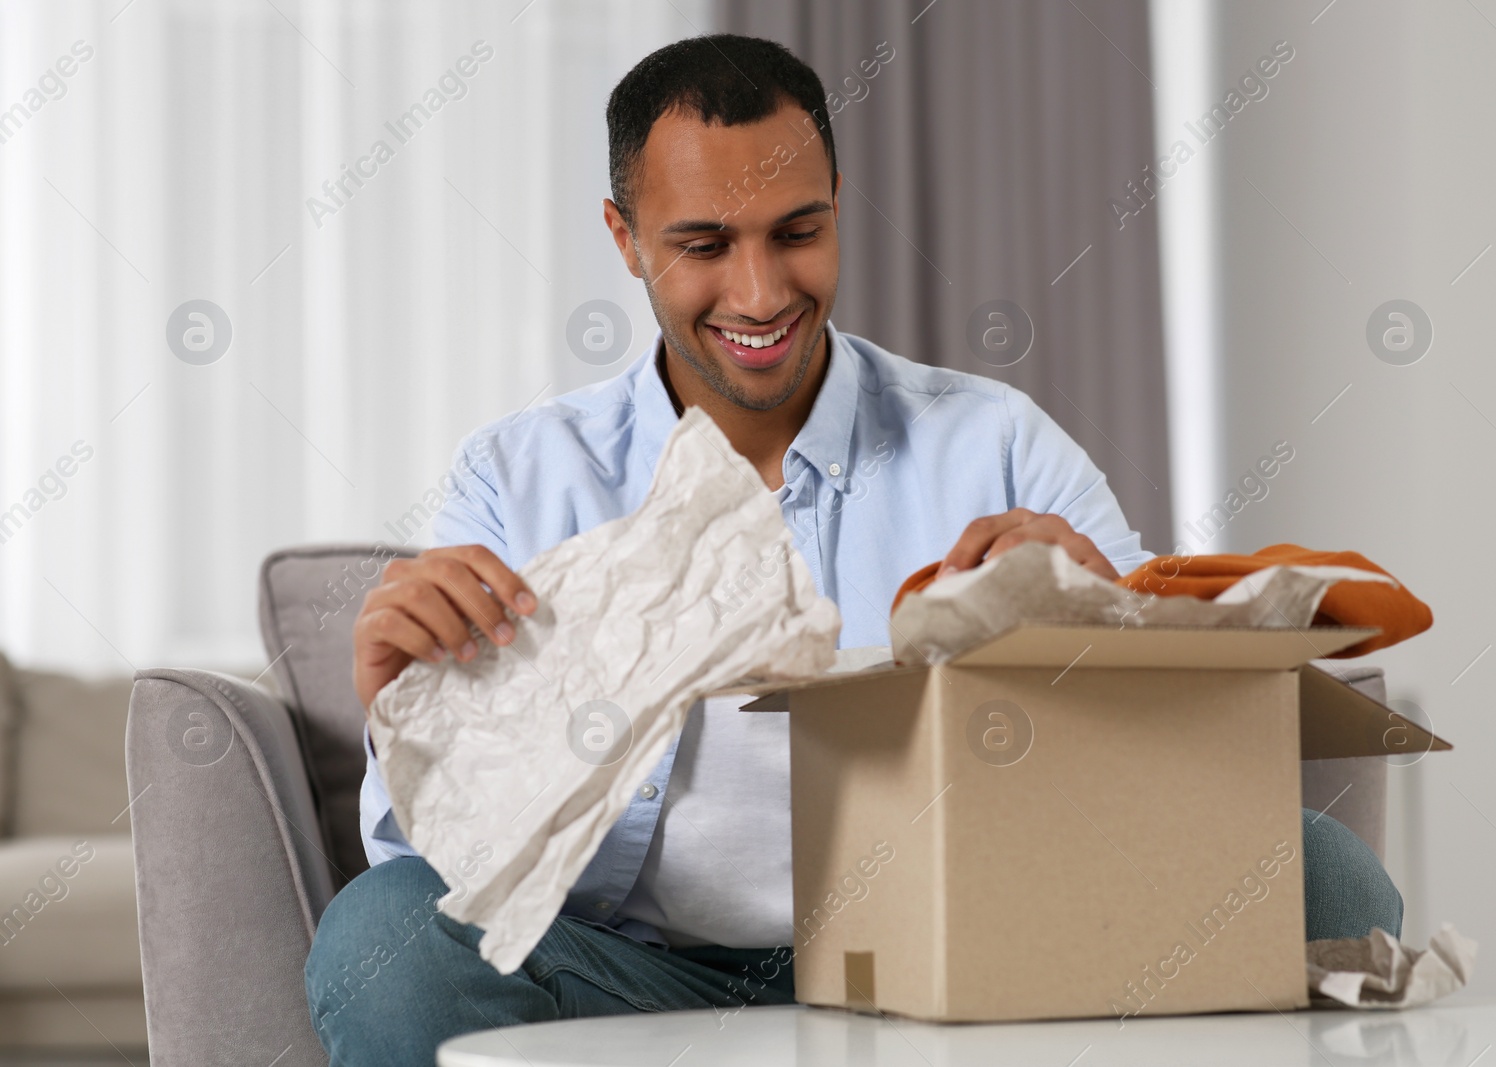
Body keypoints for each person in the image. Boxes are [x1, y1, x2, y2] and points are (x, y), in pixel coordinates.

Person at [305, 34, 1401, 1066]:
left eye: (797, 230)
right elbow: (445, 869)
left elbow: (1164, 784)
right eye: (702, 244)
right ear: (623, 236)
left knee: (1328, 879)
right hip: (626, 970)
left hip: (955, 960)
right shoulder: (518, 476)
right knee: (384, 948)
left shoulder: (996, 445)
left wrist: (1101, 624)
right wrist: (407, 725)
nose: (760, 292)